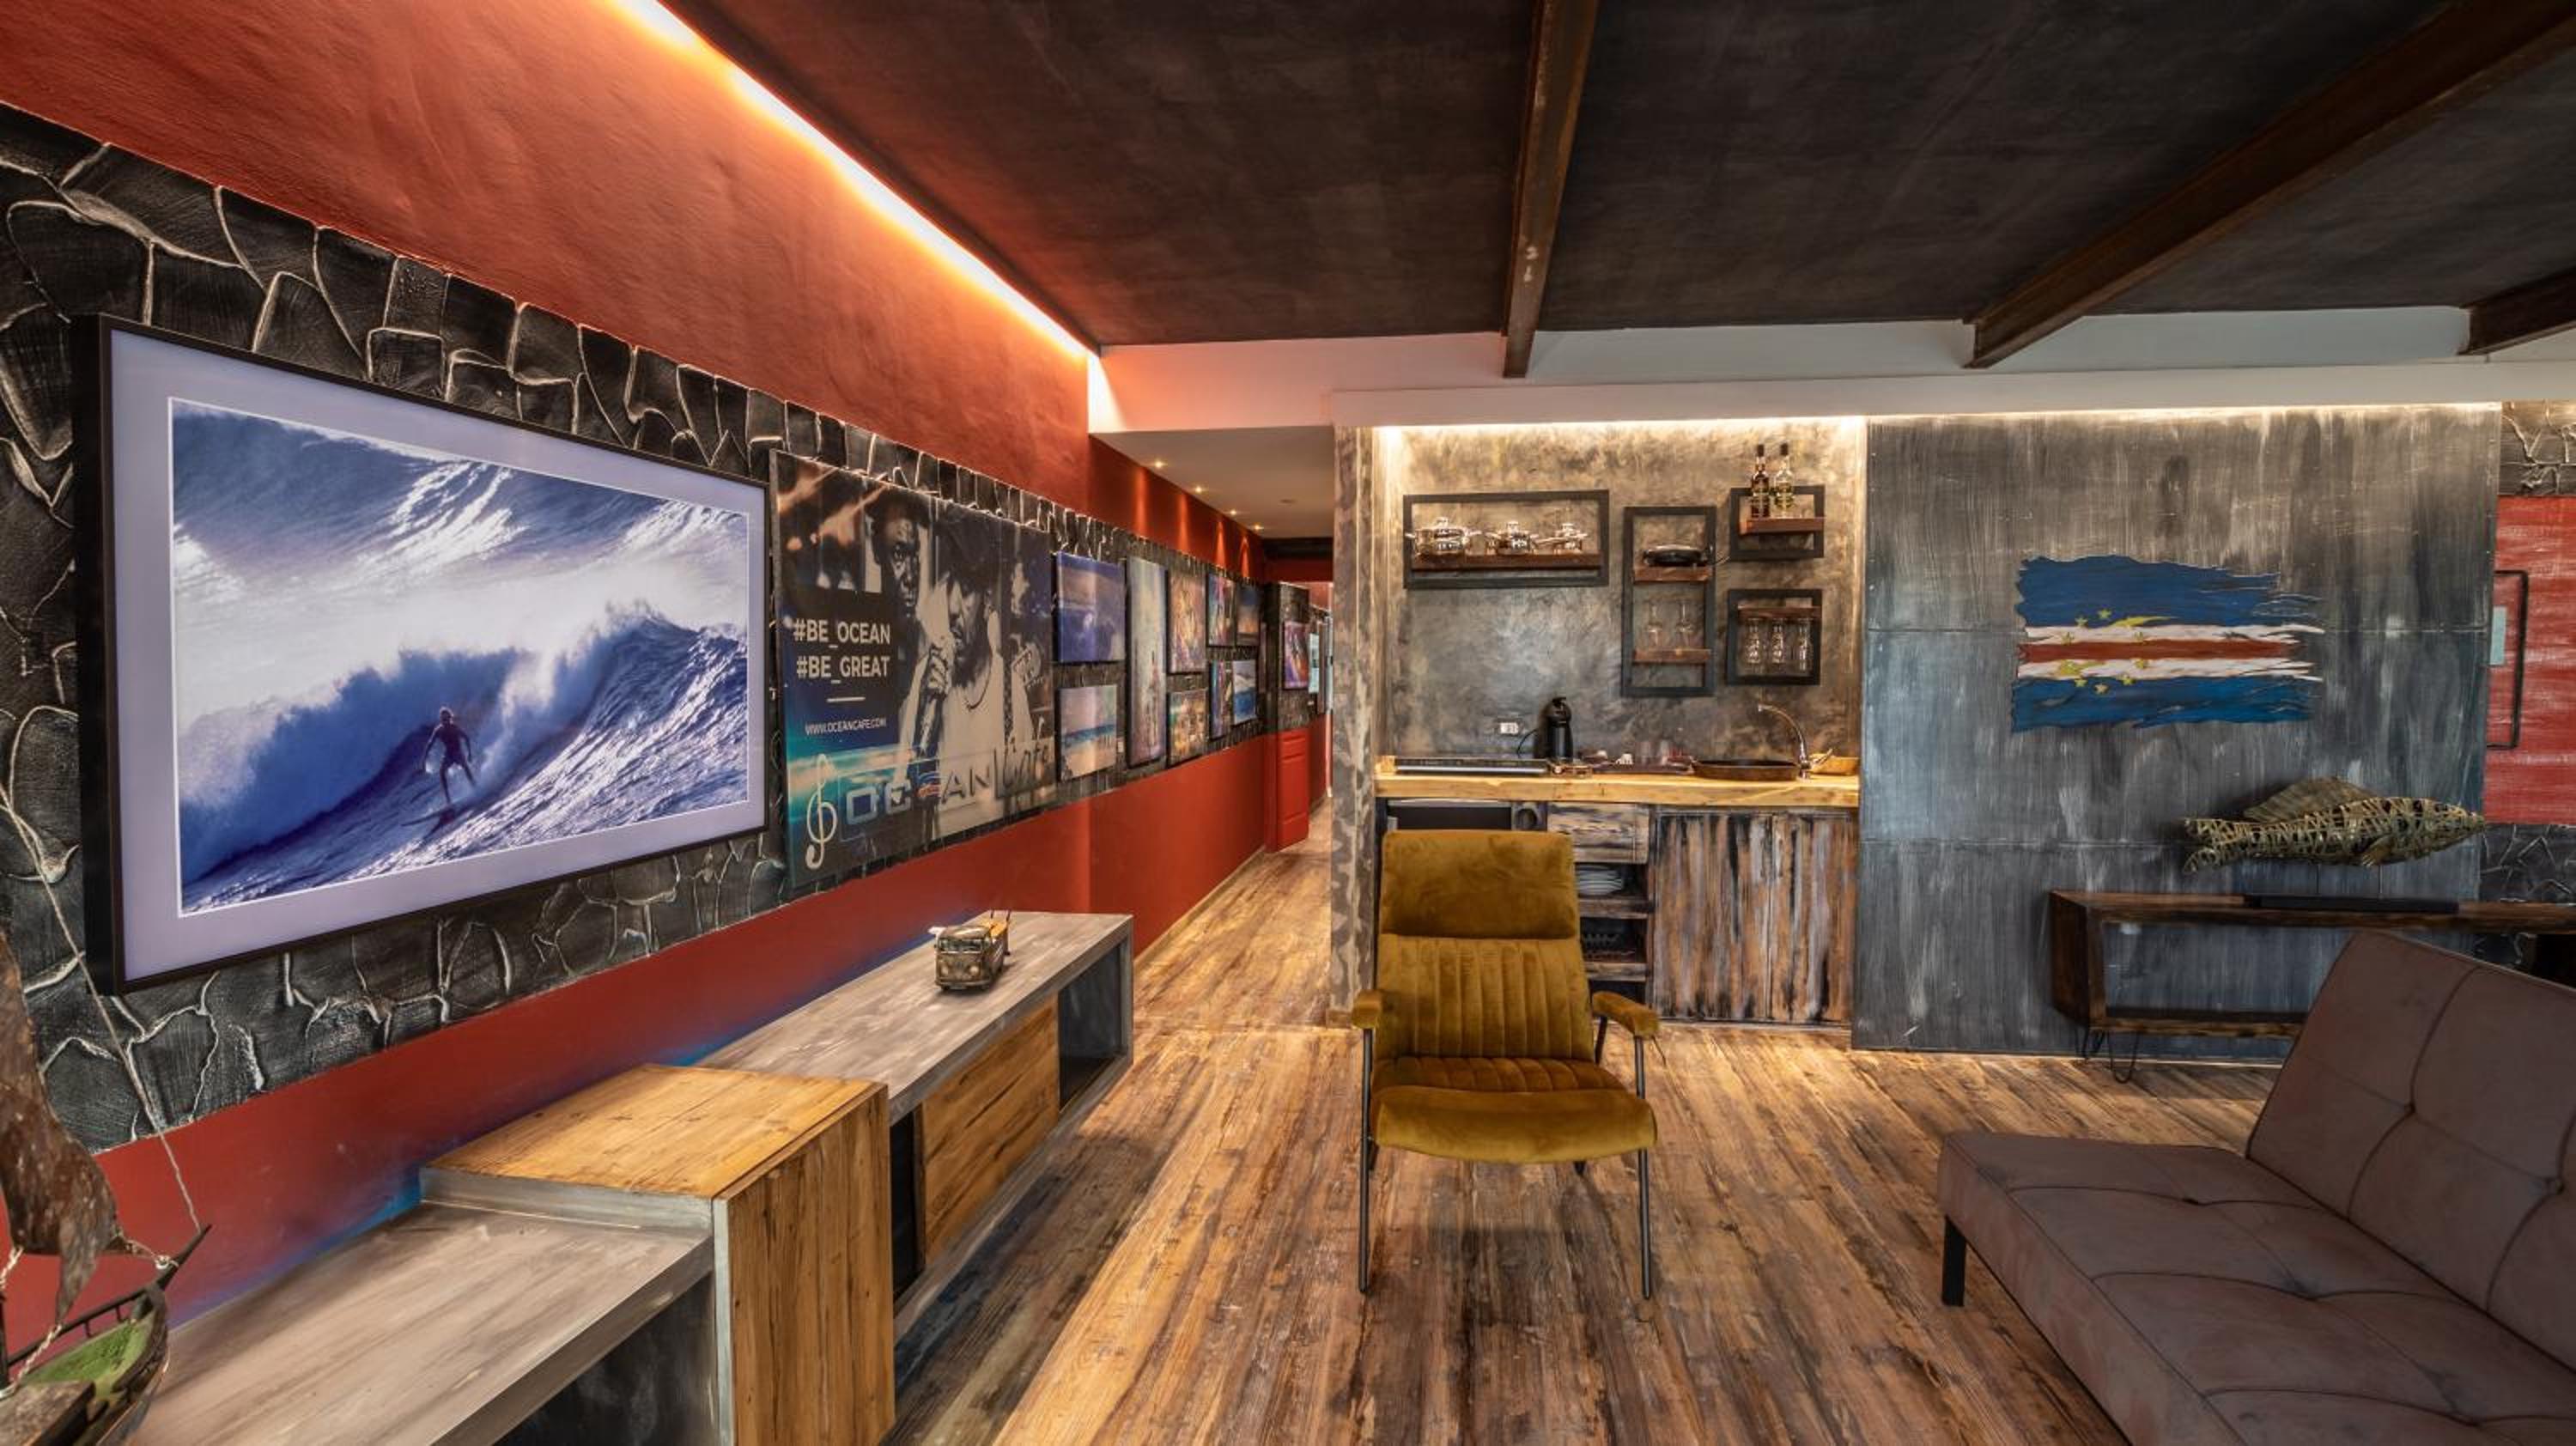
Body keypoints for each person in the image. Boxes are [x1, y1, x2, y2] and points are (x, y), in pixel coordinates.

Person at [422, 707, 476, 809]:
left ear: (450, 718)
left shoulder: (454, 728)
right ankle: (448, 800)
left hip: (457, 752)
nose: (445, 722)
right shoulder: (438, 730)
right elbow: (430, 744)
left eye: (446, 719)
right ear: (441, 720)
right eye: (443, 720)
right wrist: (424, 760)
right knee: (442, 772)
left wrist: (469, 754)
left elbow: (466, 738)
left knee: (465, 767)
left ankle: (474, 787)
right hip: (448, 754)